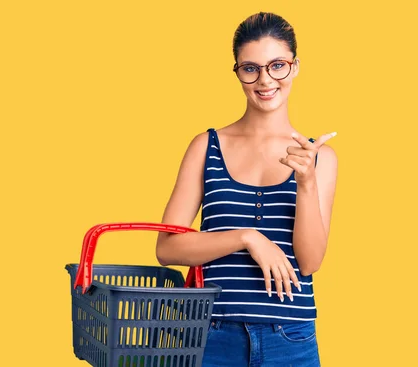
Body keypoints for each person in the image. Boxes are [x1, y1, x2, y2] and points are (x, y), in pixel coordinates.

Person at [155, 11, 338, 367]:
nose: (265, 79)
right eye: (250, 68)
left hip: (291, 337)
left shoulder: (319, 157)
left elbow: (310, 261)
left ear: (295, 67)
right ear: (238, 71)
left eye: (277, 65)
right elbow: (167, 248)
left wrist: (306, 184)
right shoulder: (205, 146)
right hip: (211, 333)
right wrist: (247, 237)